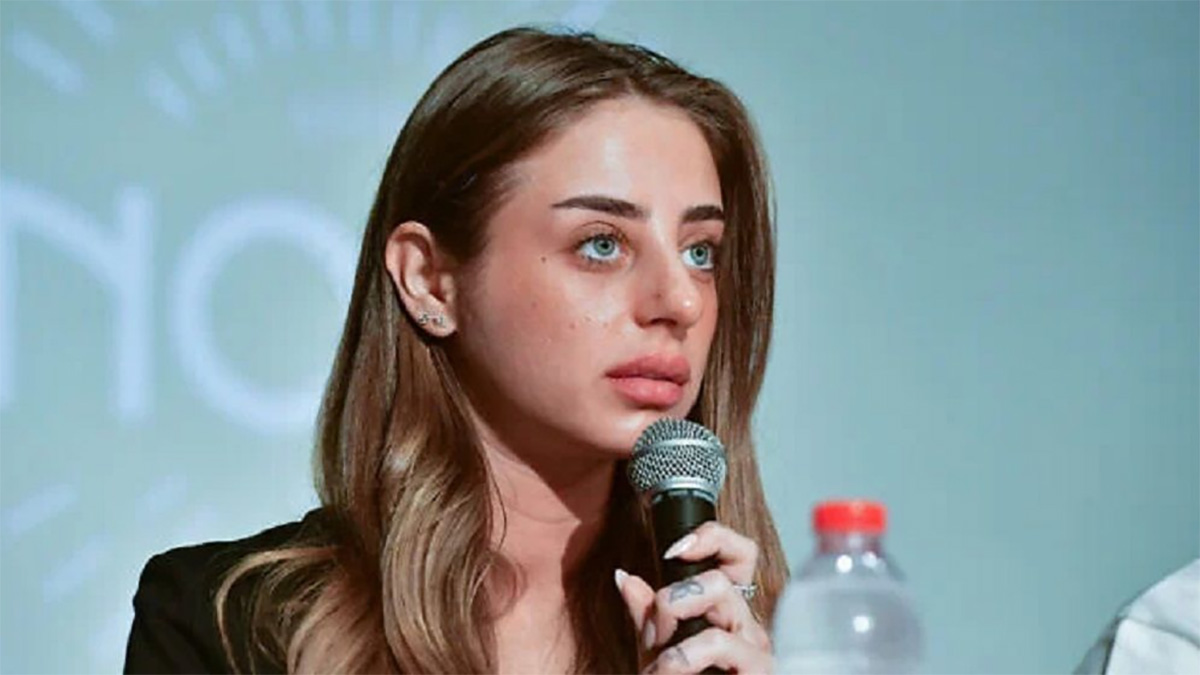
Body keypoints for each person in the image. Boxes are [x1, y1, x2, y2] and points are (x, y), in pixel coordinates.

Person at [124, 26, 786, 674]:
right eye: (601, 244)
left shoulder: (786, 646)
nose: (681, 301)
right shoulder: (224, 626)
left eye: (701, 253)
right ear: (429, 280)